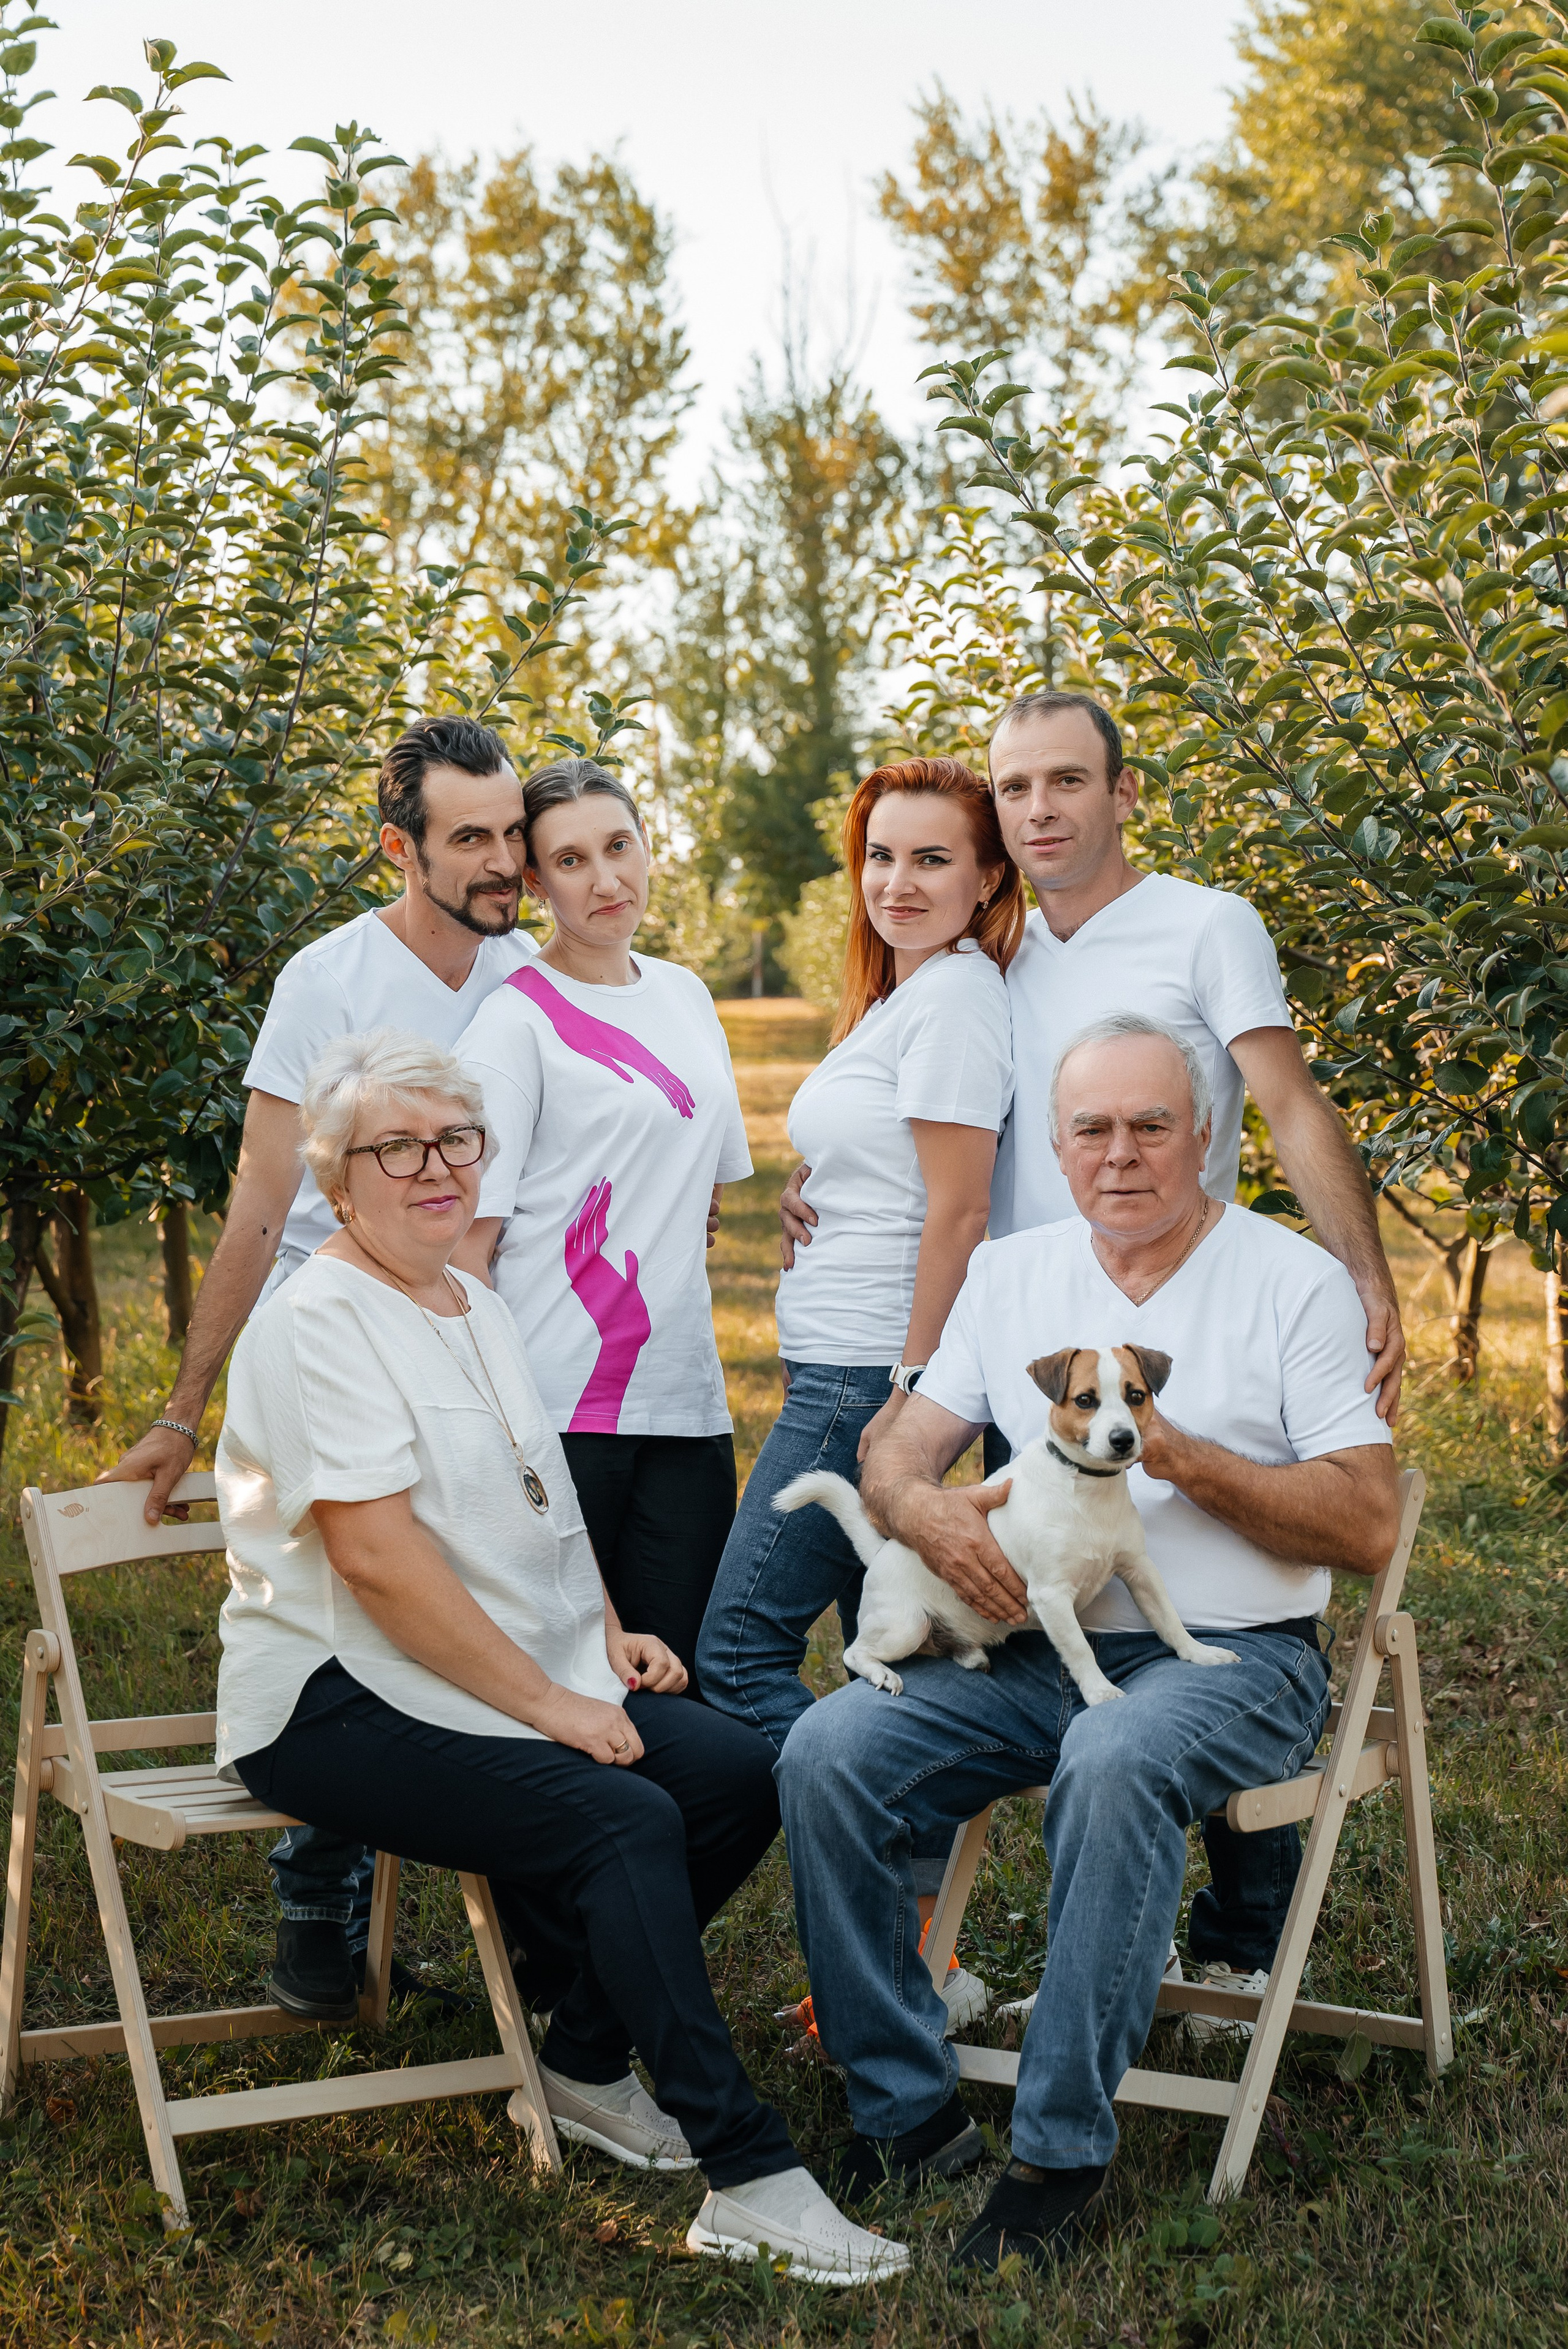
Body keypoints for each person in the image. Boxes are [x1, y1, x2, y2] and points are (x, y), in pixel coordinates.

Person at [216, 1028, 905, 2287]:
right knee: (616, 1818)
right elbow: (376, 1564)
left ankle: (583, 2055)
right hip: (332, 1693)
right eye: (399, 1147)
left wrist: (601, 1631)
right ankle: (745, 2172)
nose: (437, 1169)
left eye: (457, 1141)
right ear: (336, 1180)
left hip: (489, 1663)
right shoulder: (317, 1320)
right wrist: (550, 1703)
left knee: (743, 1771)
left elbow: (540, 1499)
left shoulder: (469, 1295)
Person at [780, 690, 1406, 2014]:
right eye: (1015, 789)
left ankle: (1241, 1931)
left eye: (1068, 781)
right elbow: (939, 1117)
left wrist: (1358, 1266)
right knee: (1033, 1599)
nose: (1042, 808)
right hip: (1027, 1339)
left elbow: (1284, 1098)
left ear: (1122, 793)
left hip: (1177, 1304)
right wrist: (825, 1191)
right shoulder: (1000, 958)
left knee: (1207, 1580)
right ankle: (916, 1961)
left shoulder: (1201, 923)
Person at [776, 1014, 1397, 2270]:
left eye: (1150, 1125)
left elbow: (1369, 1520)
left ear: (1206, 1136)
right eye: (1091, 1130)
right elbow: (899, 1443)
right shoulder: (1013, 1273)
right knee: (826, 1747)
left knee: (1112, 1757)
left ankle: (1052, 2154)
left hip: (1228, 1659)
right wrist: (927, 1515)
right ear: (1055, 1149)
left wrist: (1166, 1448)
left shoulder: (1287, 1281)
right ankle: (902, 2110)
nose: (1120, 1154)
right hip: (1023, 1652)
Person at [102, 715, 541, 2023]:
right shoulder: (329, 980)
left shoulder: (535, 977)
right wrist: (185, 1407)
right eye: (471, 838)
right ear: (397, 847)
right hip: (334, 1342)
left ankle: (524, 1913)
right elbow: (253, 1205)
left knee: (496, 1597)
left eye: (514, 831)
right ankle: (319, 1896)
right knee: (341, 1598)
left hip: (488, 1345)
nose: (504, 860)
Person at [698, 756, 1021, 2020]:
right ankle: (916, 1966)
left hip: (865, 1388)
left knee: (736, 1657)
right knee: (898, 1659)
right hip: (840, 1368)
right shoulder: (903, 997)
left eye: (931, 857)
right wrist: (811, 1185)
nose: (897, 881)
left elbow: (958, 1211)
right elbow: (896, 1174)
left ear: (985, 875)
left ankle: (884, 1925)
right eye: (879, 856)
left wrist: (907, 1396)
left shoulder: (950, 1000)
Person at [450, 757, 752, 1691]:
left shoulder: (687, 996)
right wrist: (500, 1426)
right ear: (535, 884)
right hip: (560, 1405)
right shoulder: (513, 1025)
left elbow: (705, 1181)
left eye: (620, 847)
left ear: (649, 846)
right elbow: (468, 1252)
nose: (606, 879)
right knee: (585, 1679)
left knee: (680, 1676)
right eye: (572, 861)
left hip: (685, 1397)